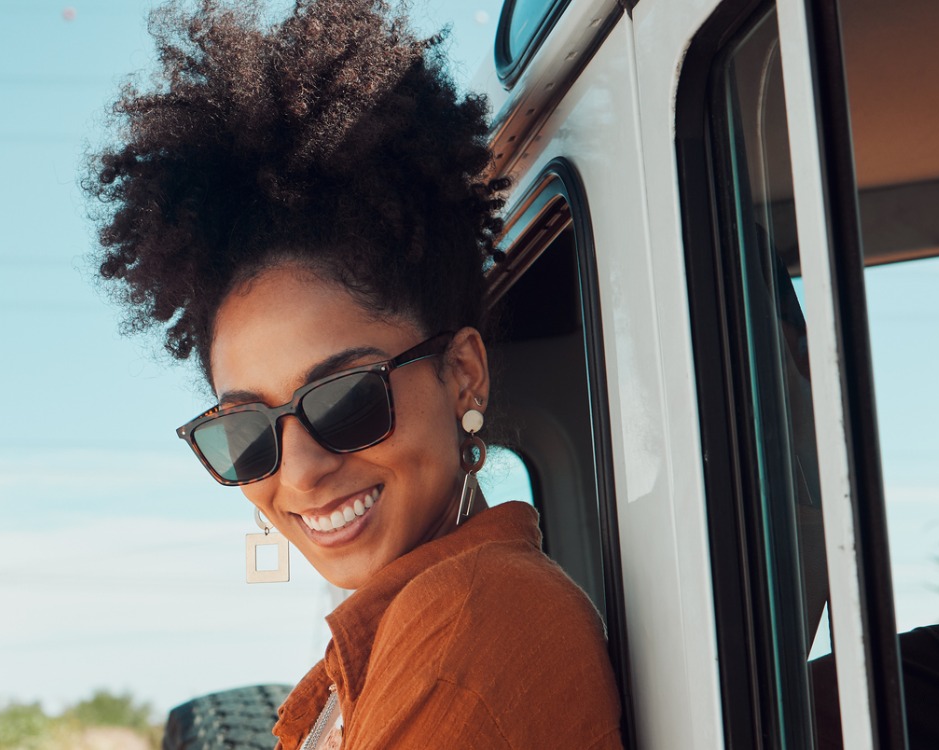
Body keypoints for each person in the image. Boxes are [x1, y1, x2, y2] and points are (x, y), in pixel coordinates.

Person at [85, 0, 622, 747]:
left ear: (462, 375)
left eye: (344, 399)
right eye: (248, 431)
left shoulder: (472, 623)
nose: (299, 473)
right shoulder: (386, 643)